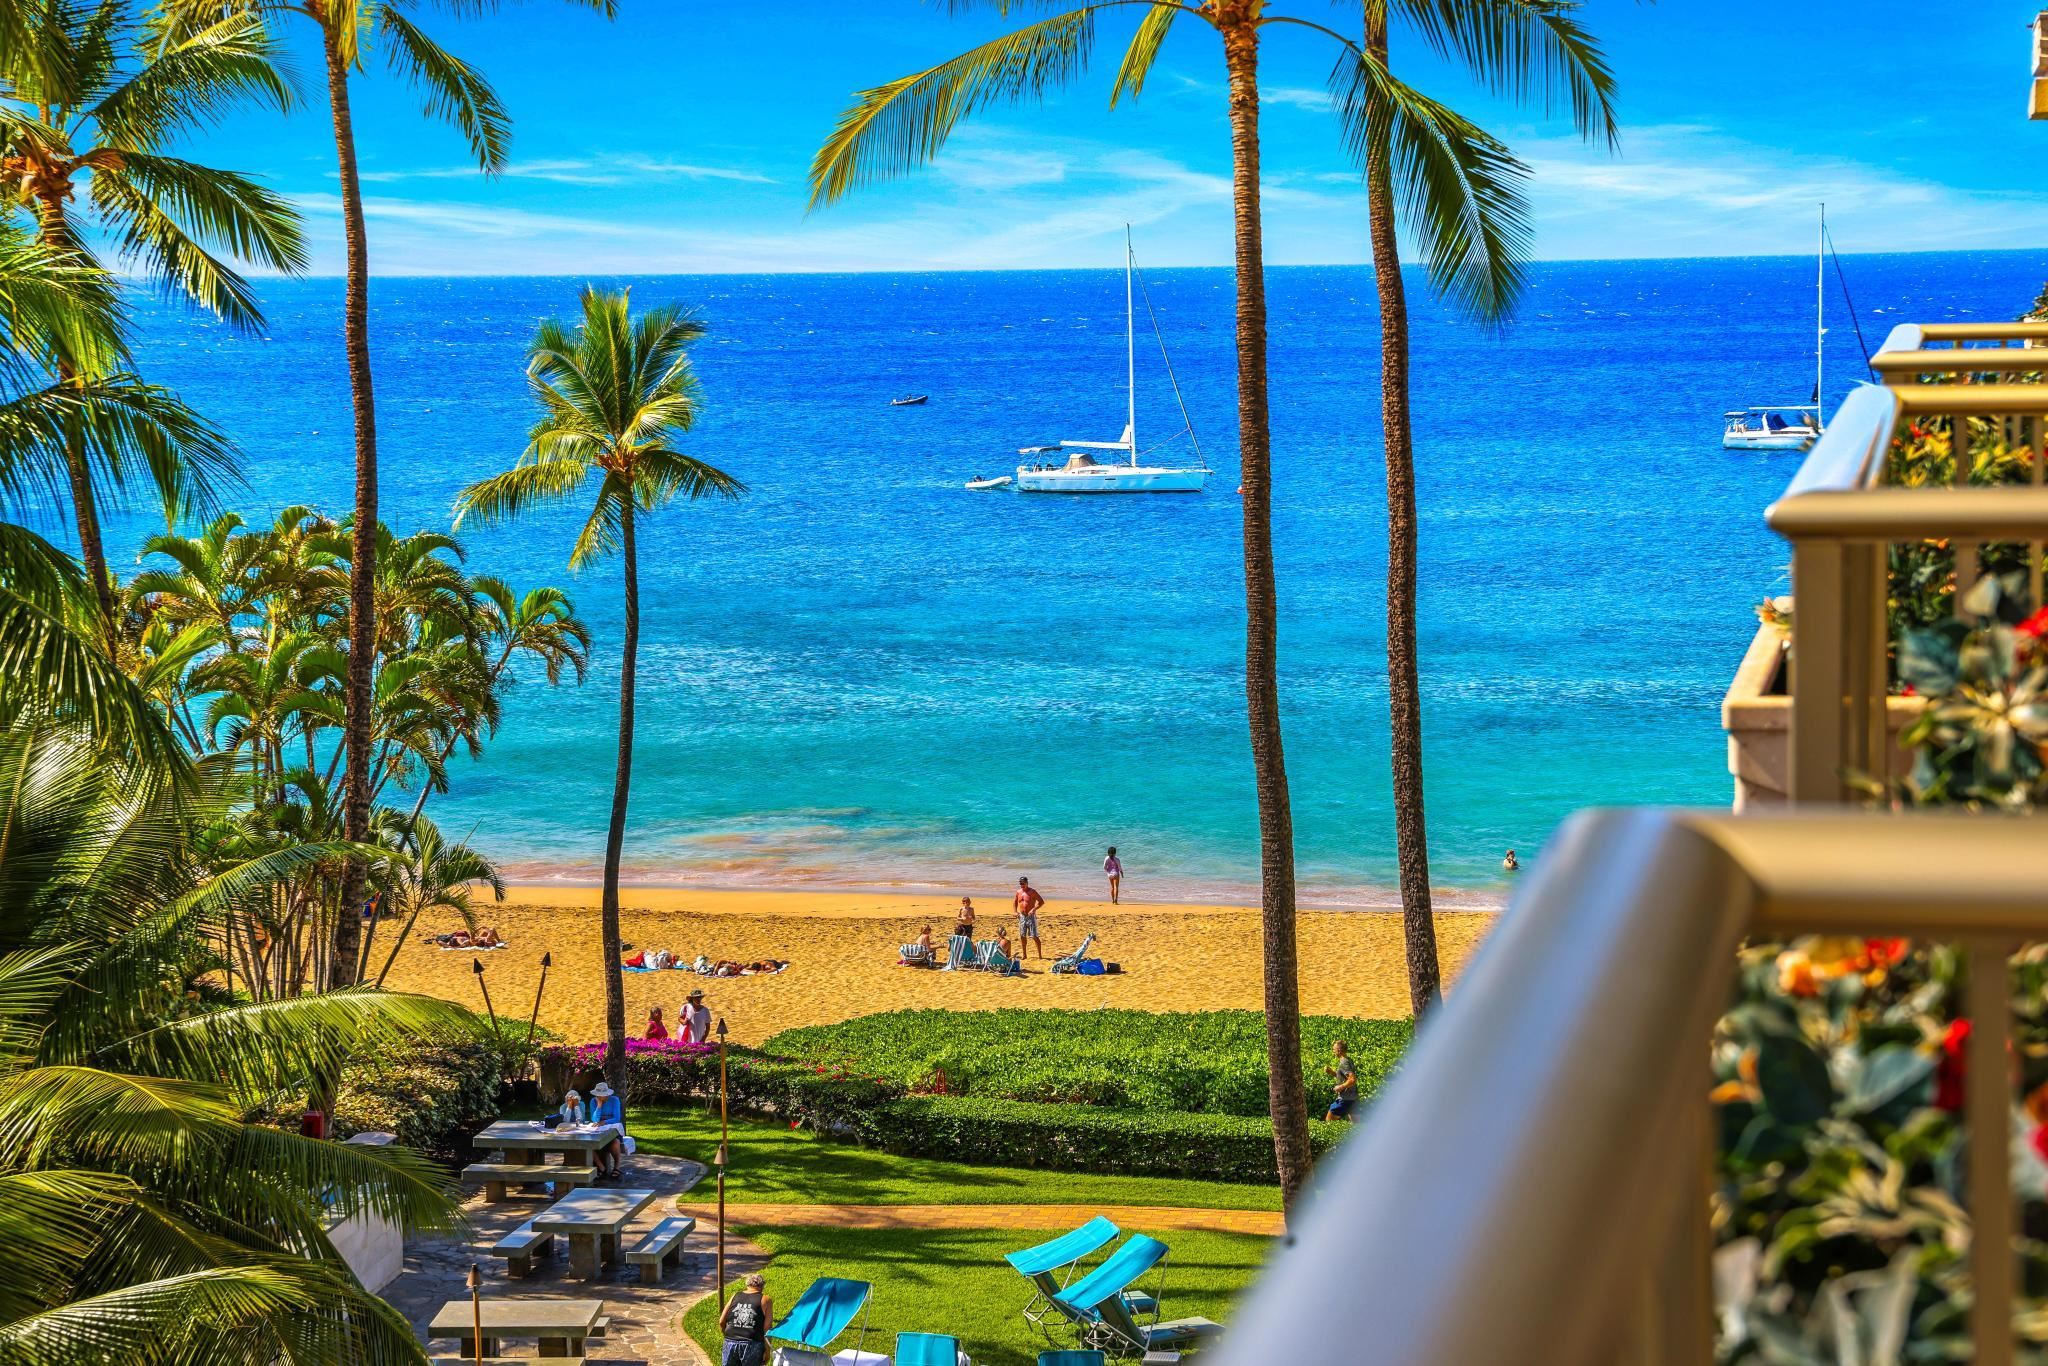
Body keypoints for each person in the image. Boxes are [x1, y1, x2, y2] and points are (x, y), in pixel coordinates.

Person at [719, 1272, 774, 1366]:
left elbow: (721, 1321)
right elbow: (767, 1328)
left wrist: (727, 1336)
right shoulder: (766, 1300)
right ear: (762, 1286)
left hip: (730, 1342)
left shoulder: (735, 1296)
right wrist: (767, 1351)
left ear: (747, 1284)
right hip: (752, 1344)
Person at [588, 1080, 636, 1178]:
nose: (600, 1097)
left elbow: (616, 1118)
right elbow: (594, 1119)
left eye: (602, 1095)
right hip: (598, 1129)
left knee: (615, 1142)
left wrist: (604, 1122)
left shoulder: (614, 1100)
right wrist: (599, 1106)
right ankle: (601, 1167)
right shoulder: (593, 1101)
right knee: (588, 1145)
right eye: (598, 1095)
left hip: (612, 1127)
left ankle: (617, 1167)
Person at [1323, 1040, 1359, 1122]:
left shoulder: (1344, 1062)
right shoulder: (1348, 1060)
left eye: (1334, 1049)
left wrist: (1340, 1087)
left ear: (1339, 1050)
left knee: (1329, 1121)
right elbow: (1345, 1077)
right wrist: (1332, 1072)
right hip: (1354, 1098)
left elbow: (1352, 1079)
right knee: (1357, 1125)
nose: (1333, 1051)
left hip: (1345, 1099)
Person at [1014, 877, 1045, 959]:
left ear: (1027, 883)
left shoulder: (1032, 892)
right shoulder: (1018, 892)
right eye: (1020, 883)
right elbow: (1015, 902)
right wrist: (1015, 911)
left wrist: (1034, 909)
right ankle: (1024, 955)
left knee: (1034, 936)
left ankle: (1040, 955)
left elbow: (1041, 902)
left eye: (1023, 883)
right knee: (1022, 936)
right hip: (1022, 916)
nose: (1021, 885)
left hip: (1031, 916)